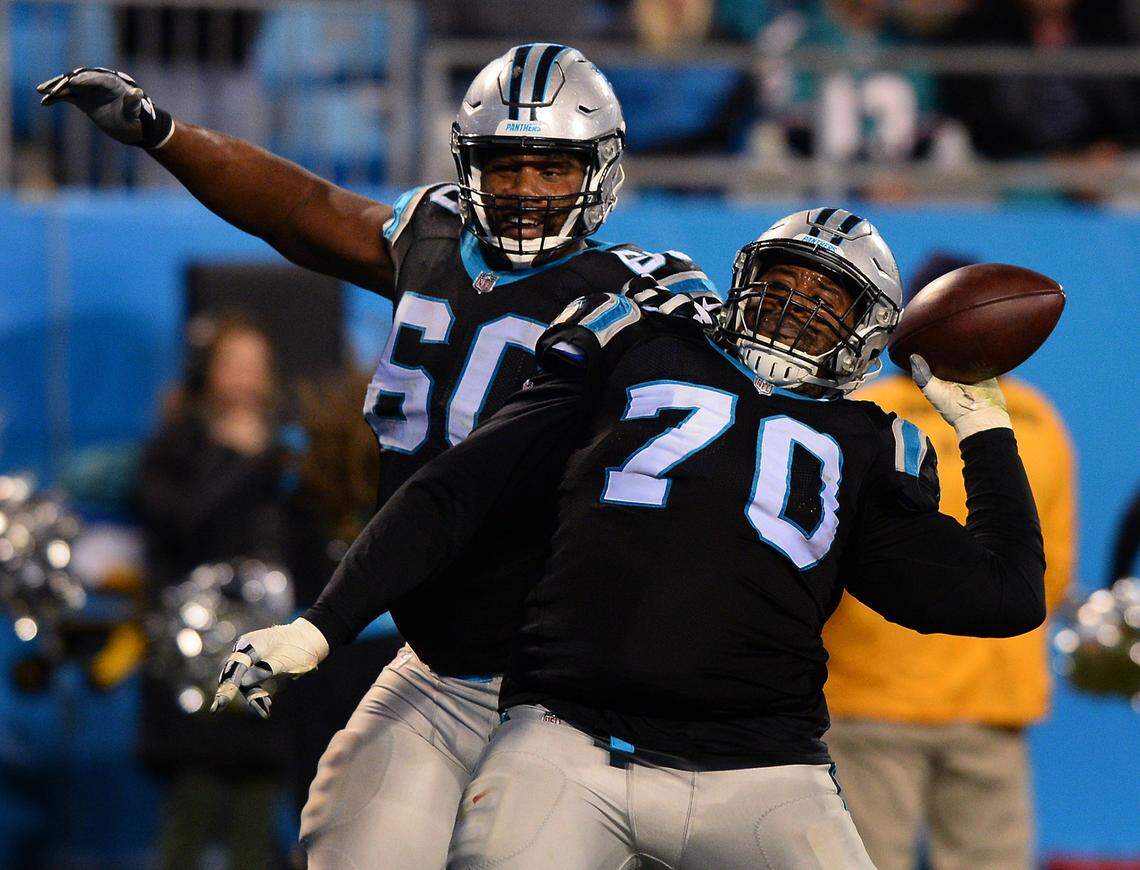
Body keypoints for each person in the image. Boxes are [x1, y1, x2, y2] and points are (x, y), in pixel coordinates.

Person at [40, 45, 717, 868]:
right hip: (436, 666)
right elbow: (298, 209)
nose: (530, 190)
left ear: (599, 170)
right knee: (345, 848)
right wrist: (164, 134)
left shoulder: (639, 295)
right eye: (508, 165)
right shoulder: (431, 236)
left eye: (553, 166)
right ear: (471, 164)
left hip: (570, 685)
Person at [220, 208, 1046, 868]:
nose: (796, 308)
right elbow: (459, 487)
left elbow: (1003, 597)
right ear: (740, 281)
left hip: (763, 771)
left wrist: (985, 433)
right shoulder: (640, 346)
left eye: (827, 300)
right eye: (782, 284)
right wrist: (321, 624)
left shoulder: (873, 441)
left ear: (864, 335)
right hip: (572, 742)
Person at [820, 252, 1076, 870]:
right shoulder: (1037, 420)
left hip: (869, 693)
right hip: (993, 694)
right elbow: (1053, 570)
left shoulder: (860, 415)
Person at [136, 315, 290, 869]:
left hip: (268, 646)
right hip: (191, 655)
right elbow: (177, 526)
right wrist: (244, 460)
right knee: (193, 800)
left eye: (259, 368)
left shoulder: (290, 447)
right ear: (208, 373)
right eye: (235, 366)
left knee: (258, 803)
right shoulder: (176, 445)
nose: (248, 380)